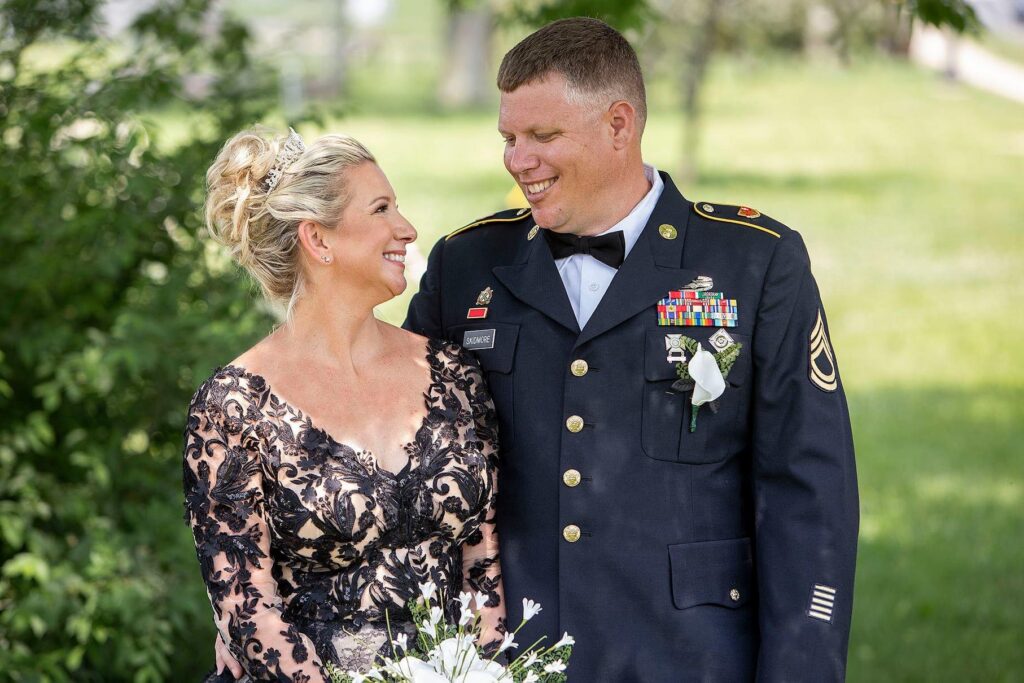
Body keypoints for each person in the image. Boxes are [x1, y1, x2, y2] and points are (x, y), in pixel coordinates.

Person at [403, 17, 859, 682]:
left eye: (542, 135)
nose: (516, 159)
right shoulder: (466, 264)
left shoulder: (753, 263)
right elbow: (402, 454)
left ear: (619, 125)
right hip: (511, 658)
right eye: (508, 137)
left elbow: (808, 493)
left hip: (690, 657)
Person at [184, 127, 505, 682]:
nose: (406, 229)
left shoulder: (455, 376)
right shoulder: (233, 406)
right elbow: (247, 607)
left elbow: (484, 561)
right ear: (319, 240)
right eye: (381, 209)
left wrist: (492, 671)